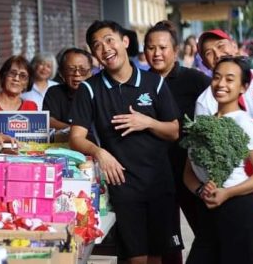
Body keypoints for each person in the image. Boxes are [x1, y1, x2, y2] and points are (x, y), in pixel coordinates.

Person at [69, 20, 180, 264]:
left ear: (125, 42)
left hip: (159, 182)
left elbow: (173, 131)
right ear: (94, 54)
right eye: (97, 45)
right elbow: (76, 137)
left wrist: (147, 122)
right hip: (124, 186)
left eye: (109, 40)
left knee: (157, 258)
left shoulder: (155, 83)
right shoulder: (89, 89)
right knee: (135, 259)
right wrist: (100, 153)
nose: (105, 48)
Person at [195, 29, 253, 264]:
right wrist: (204, 189)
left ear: (234, 46)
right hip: (233, 197)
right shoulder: (205, 102)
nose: (216, 54)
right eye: (208, 53)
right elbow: (197, 160)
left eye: (220, 46)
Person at [143, 20, 211, 263]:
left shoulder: (196, 80)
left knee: (208, 235)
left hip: (191, 172)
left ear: (175, 50)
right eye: (151, 48)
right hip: (155, 176)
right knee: (166, 244)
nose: (157, 53)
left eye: (162, 47)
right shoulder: (139, 81)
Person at [43, 48, 93, 131]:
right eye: (71, 69)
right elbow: (48, 121)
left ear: (91, 72)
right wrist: (77, 132)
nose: (77, 74)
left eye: (82, 70)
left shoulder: (99, 92)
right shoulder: (54, 92)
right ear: (61, 73)